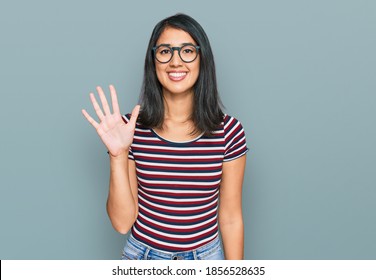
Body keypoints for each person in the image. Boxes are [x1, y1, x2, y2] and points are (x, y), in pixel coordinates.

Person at [82, 13, 248, 260]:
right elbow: (122, 223)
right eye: (165, 51)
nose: (175, 62)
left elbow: (231, 218)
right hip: (143, 258)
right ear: (154, 60)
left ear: (203, 59)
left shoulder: (229, 132)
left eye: (187, 51)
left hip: (206, 259)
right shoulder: (128, 129)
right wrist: (118, 154)